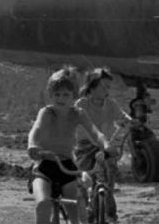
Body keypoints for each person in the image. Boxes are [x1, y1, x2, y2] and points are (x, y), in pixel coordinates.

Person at [28, 68, 108, 224]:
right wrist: (32, 145)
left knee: (75, 207)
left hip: (67, 167)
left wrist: (106, 146)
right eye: (57, 94)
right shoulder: (46, 112)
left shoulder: (78, 113)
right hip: (44, 166)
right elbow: (36, 129)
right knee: (43, 203)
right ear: (51, 95)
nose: (61, 98)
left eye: (65, 95)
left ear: (74, 96)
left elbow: (95, 132)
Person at [74, 68, 130, 223]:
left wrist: (128, 120)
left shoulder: (111, 104)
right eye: (103, 86)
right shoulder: (82, 103)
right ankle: (85, 207)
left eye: (108, 87)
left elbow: (123, 116)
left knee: (108, 179)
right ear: (92, 87)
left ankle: (110, 214)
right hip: (85, 145)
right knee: (85, 177)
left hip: (105, 145)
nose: (107, 90)